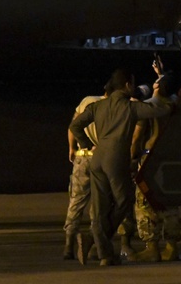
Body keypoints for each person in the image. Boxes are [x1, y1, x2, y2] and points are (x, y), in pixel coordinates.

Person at [70, 68, 173, 266]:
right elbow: (161, 110)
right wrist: (161, 95)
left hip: (97, 159)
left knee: (99, 210)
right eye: (132, 84)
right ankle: (93, 240)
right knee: (124, 201)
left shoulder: (97, 106)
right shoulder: (130, 107)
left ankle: (105, 255)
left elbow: (75, 126)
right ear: (127, 85)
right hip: (116, 159)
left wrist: (86, 145)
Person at [129, 70, 181, 262]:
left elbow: (137, 137)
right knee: (170, 204)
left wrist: (131, 158)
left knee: (145, 203)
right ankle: (172, 246)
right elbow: (171, 89)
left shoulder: (150, 106)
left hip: (151, 158)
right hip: (172, 158)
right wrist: (163, 75)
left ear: (158, 87)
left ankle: (151, 247)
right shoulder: (176, 104)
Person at [63, 87, 106, 262]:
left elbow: (73, 126)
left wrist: (72, 148)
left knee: (76, 201)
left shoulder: (87, 101)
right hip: (100, 158)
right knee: (99, 203)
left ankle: (68, 245)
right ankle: (94, 243)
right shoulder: (113, 106)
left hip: (83, 158)